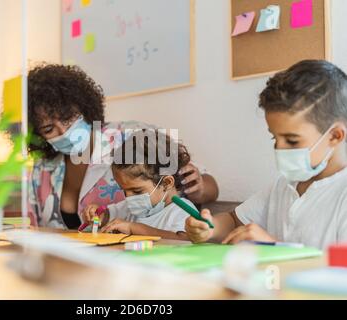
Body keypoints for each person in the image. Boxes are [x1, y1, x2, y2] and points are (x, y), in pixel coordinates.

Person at [27, 63, 219, 229]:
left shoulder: (132, 137)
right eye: (49, 128)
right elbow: (33, 229)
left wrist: (200, 188)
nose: (64, 131)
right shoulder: (42, 167)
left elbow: (209, 186)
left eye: (68, 118)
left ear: (84, 107)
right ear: (37, 134)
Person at [186, 60, 347, 249]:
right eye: (274, 139)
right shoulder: (284, 185)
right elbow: (234, 221)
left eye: (292, 141)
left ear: (335, 136)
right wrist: (210, 228)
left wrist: (274, 247)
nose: (279, 149)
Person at [82, 130, 192, 240]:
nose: (129, 197)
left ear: (166, 183)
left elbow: (184, 240)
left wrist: (134, 228)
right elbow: (107, 216)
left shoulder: (182, 210)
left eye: (137, 191)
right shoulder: (131, 207)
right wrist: (97, 215)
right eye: (124, 191)